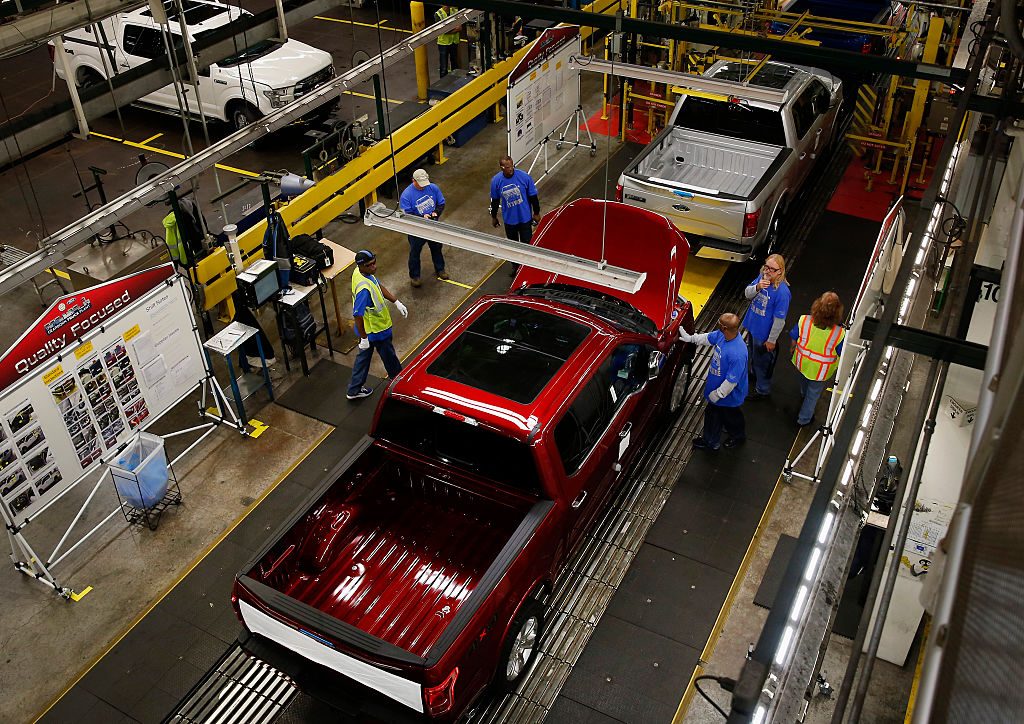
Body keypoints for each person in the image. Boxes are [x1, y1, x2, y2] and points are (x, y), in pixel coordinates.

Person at [680, 313, 748, 451]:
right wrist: (691, 338)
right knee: (728, 415)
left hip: (728, 395)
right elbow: (709, 338)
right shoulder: (723, 335)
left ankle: (713, 441)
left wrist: (718, 394)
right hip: (719, 391)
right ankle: (734, 435)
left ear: (724, 328)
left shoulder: (737, 353)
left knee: (719, 415)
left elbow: (731, 381)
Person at [347, 249, 408, 400]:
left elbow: (377, 285)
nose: (374, 267)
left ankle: (354, 390)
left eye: (374, 262)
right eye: (370, 265)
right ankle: (399, 385)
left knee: (363, 359)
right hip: (377, 330)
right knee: (390, 359)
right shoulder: (363, 290)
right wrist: (364, 338)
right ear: (362, 266)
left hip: (368, 329)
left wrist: (396, 301)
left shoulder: (360, 272)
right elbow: (357, 315)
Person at [790, 291, 846, 427]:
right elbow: (841, 353)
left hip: (802, 362)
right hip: (821, 371)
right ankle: (803, 419)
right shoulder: (839, 333)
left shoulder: (804, 320)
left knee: (803, 381)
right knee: (813, 395)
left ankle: (803, 393)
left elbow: (794, 338)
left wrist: (792, 350)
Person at [742, 253, 791, 400]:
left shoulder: (782, 293)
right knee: (752, 354)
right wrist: (757, 286)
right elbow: (747, 294)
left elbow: (779, 320)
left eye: (772, 269)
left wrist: (771, 340)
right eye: (766, 267)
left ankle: (762, 390)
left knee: (763, 363)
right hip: (752, 327)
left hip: (764, 334)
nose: (767, 271)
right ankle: (753, 374)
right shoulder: (762, 279)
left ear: (780, 272)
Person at [399, 168, 449, 288]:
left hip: (432, 226)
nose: (423, 187)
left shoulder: (433, 188)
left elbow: (441, 203)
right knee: (415, 253)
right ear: (413, 181)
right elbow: (407, 215)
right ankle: (415, 276)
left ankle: (440, 269)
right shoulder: (406, 195)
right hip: (417, 230)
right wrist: (421, 217)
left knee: (437, 248)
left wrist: (436, 212)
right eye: (420, 185)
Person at [490, 156, 541, 244]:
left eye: (512, 166)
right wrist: (494, 217)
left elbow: (533, 197)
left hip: (525, 218)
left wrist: (536, 213)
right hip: (509, 221)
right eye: (507, 167)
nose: (511, 169)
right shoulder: (496, 181)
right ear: (501, 167)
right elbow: (495, 201)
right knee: (513, 246)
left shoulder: (524, 177)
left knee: (527, 245)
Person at [435, 5, 461, 77]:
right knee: (443, 68)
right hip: (443, 44)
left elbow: (460, 27)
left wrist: (450, 29)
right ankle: (443, 84)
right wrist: (455, 29)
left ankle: (455, 82)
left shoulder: (454, 11)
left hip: (453, 42)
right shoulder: (438, 14)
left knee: (455, 65)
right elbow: (443, 31)